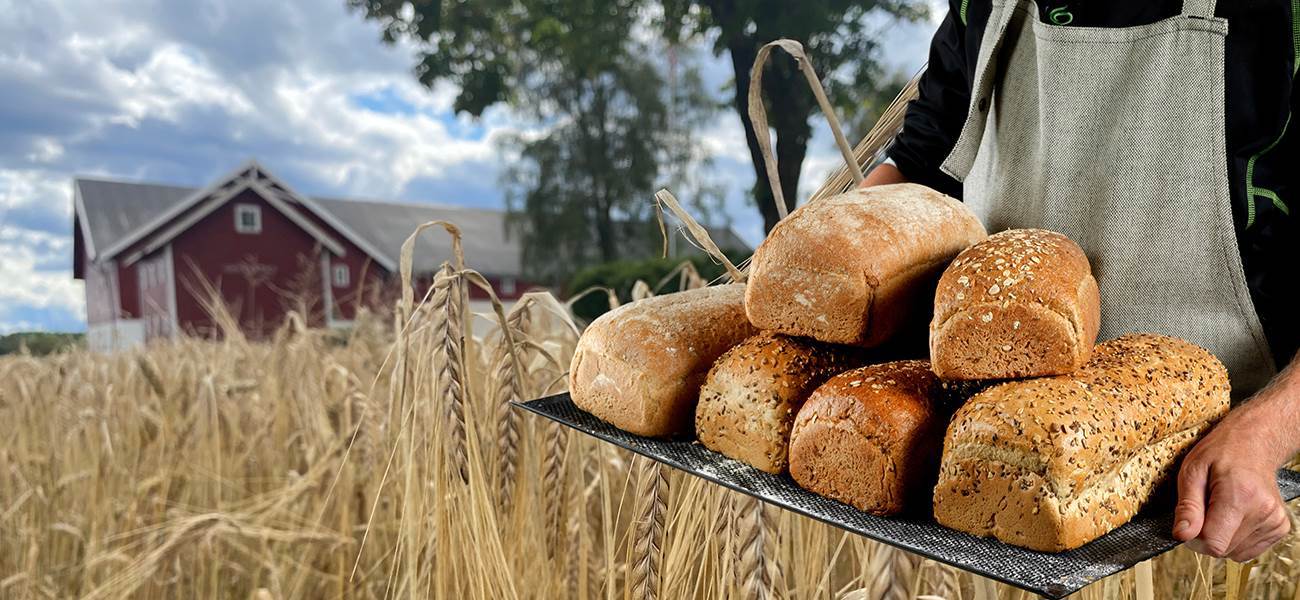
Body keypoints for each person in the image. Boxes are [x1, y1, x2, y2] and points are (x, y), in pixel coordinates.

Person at [861, 0, 1299, 561]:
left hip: (1219, 495)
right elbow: (923, 158)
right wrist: (819, 267)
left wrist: (1267, 433)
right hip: (979, 453)